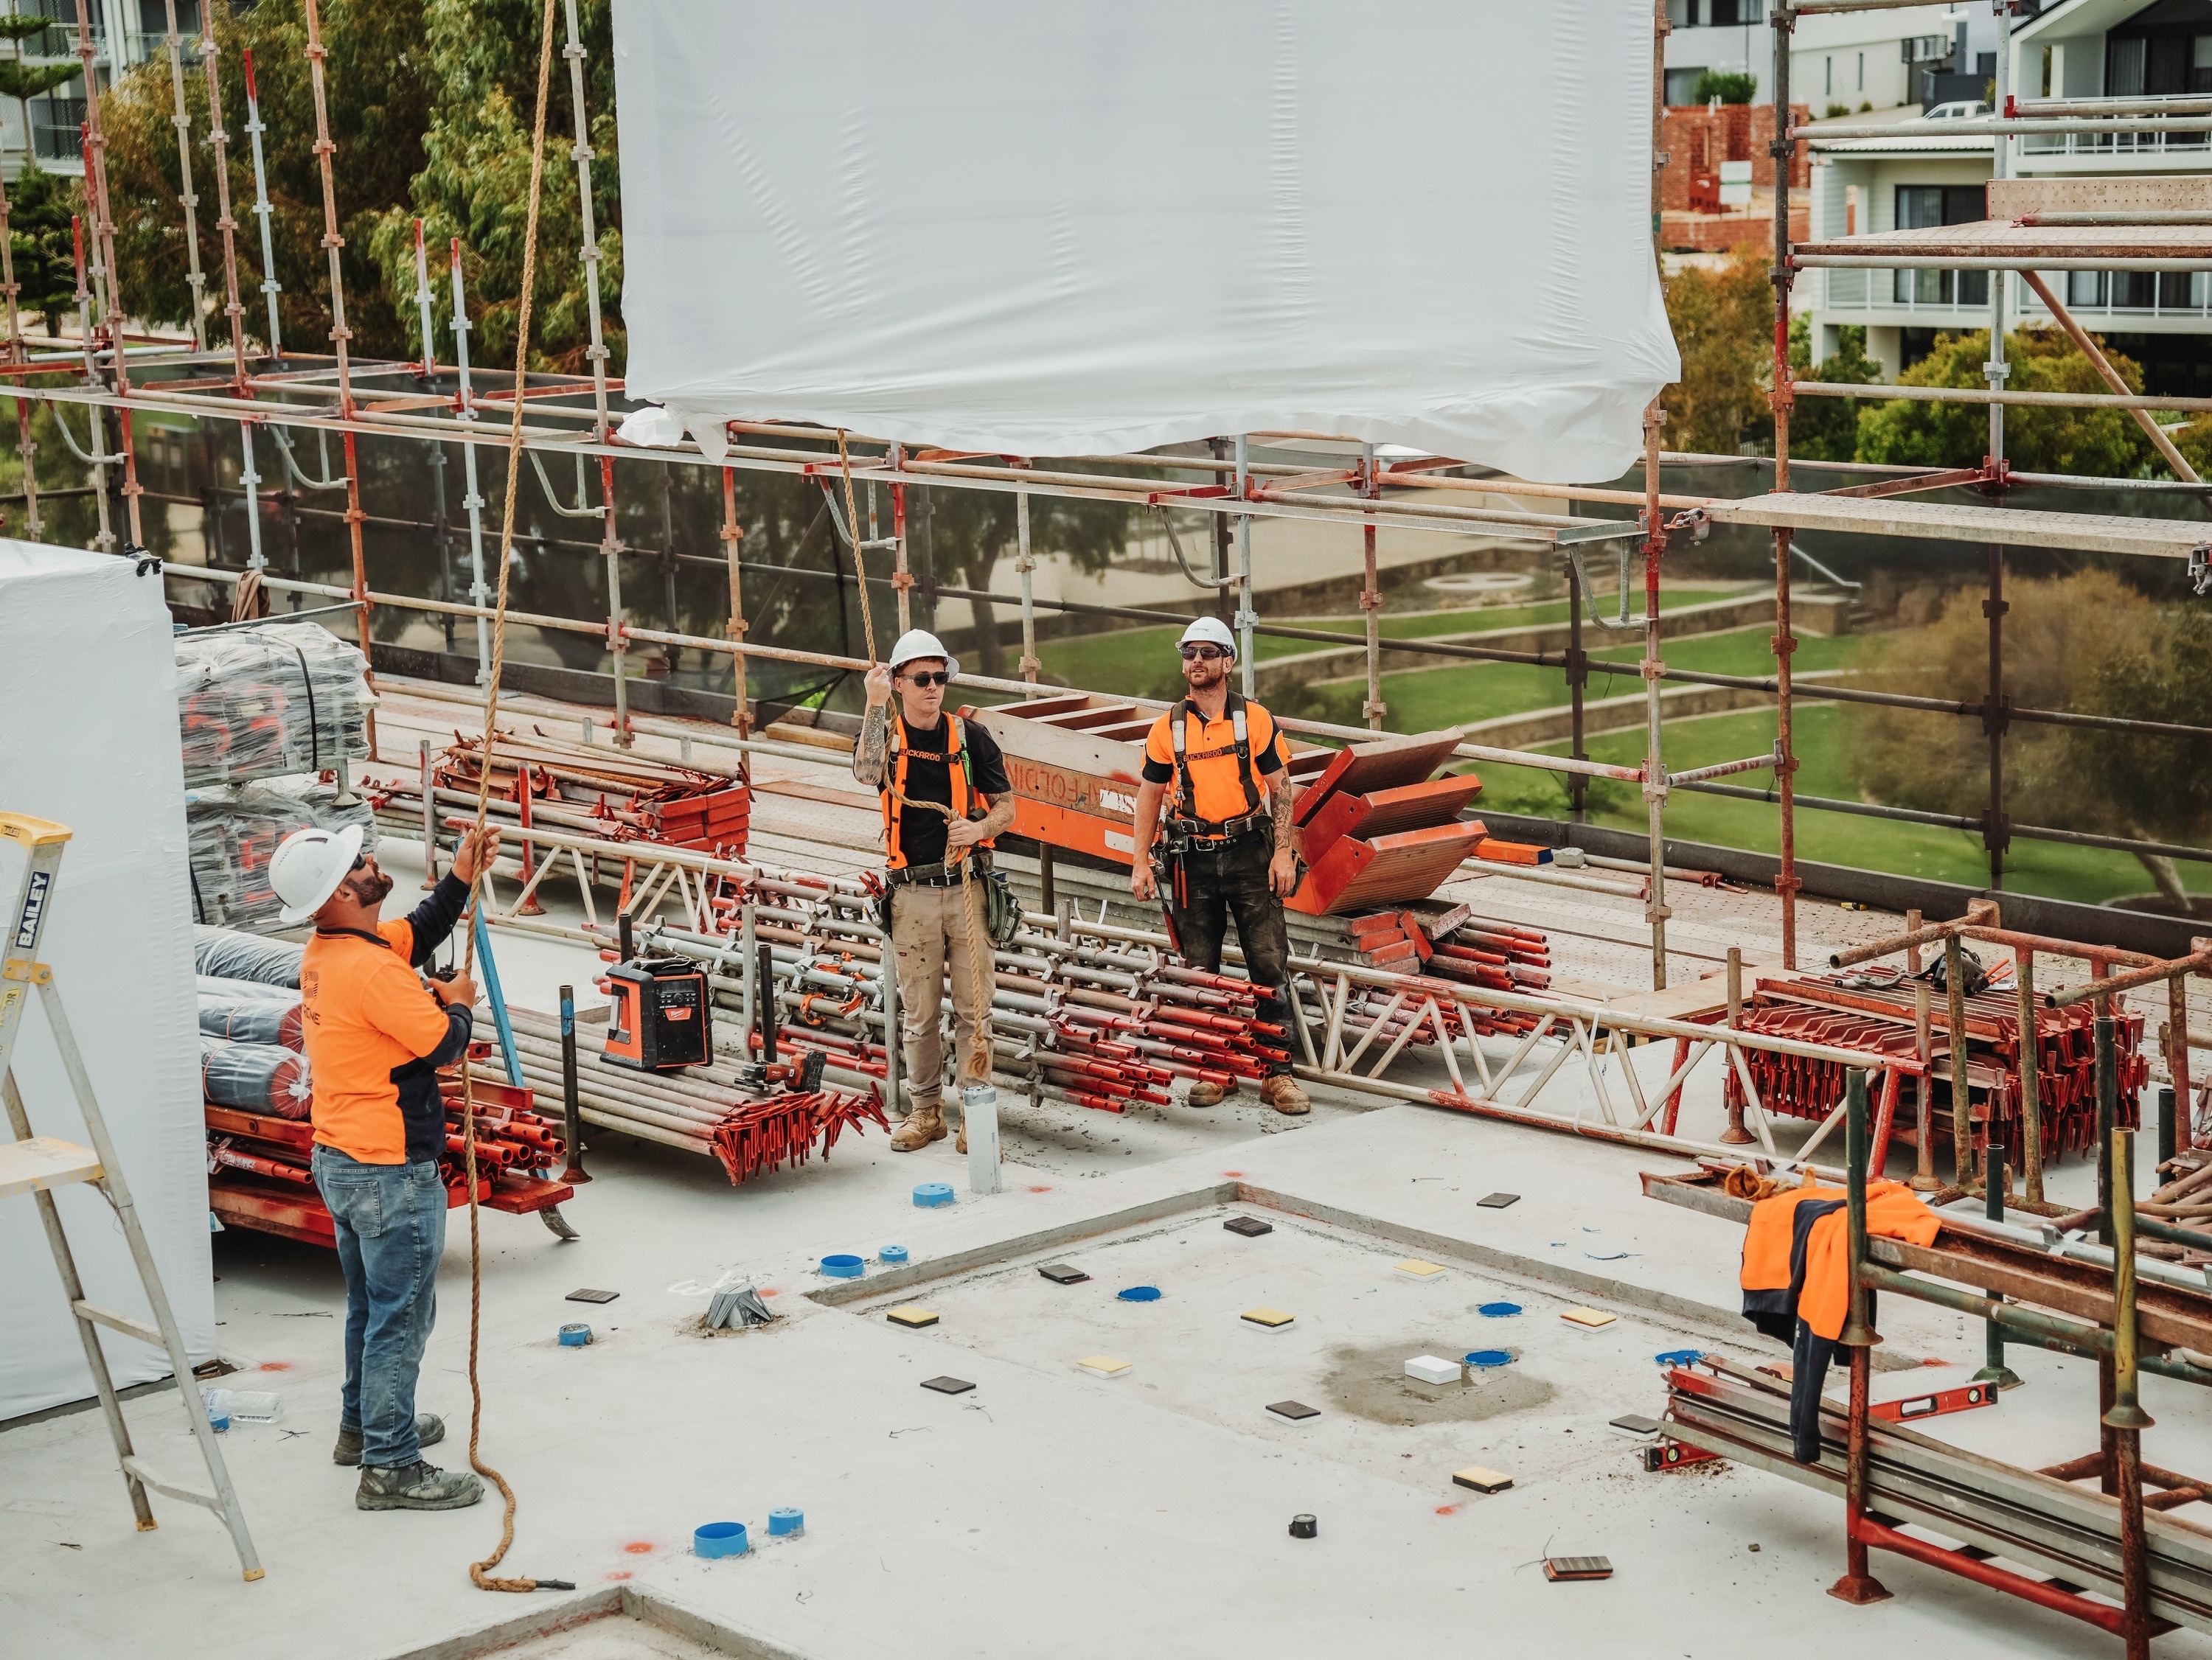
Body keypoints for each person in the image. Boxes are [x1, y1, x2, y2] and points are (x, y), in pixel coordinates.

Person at [267, 819, 502, 1512]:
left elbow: (418, 931)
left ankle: (362, 1429)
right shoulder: (368, 970)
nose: (373, 861)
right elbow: (442, 1047)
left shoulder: (334, 948)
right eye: (361, 861)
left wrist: (461, 874)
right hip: (389, 1171)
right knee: (401, 1317)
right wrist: (456, 1004)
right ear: (343, 891)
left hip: (343, 1158)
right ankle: (391, 1464)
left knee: (370, 1308)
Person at [1129, 616, 1310, 1115]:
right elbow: (1148, 796)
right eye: (1190, 653)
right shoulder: (1168, 727)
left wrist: (1282, 852)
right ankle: (1216, 1070)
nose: (1197, 662)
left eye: (1208, 653)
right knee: (1198, 970)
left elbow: (1281, 789)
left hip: (1250, 851)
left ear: (1228, 662)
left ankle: (1279, 1075)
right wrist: (1140, 860)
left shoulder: (1254, 720)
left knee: (1269, 964)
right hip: (1192, 858)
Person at [852, 630, 1015, 1153]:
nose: (932, 688)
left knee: (975, 1011)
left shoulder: (971, 738)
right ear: (898, 683)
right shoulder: (889, 735)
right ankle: (926, 1112)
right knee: (920, 1014)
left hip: (967, 888)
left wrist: (980, 829)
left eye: (940, 678)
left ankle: (975, 1114)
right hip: (913, 895)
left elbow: (1008, 808)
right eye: (921, 679)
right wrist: (874, 708)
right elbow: (863, 772)